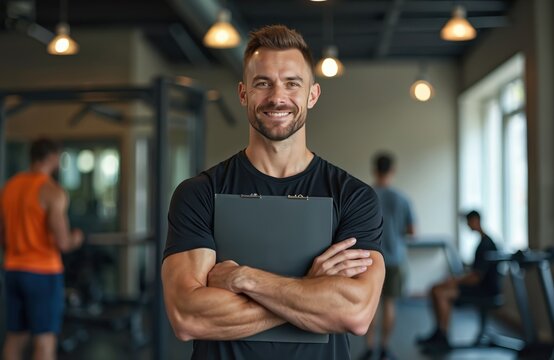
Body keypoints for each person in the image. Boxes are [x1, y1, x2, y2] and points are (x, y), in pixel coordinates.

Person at [162, 25, 386, 360]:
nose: (277, 97)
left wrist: (244, 278)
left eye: (292, 83)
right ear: (243, 94)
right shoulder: (199, 194)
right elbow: (188, 316)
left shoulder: (353, 198)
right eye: (262, 83)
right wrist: (311, 290)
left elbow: (354, 313)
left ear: (312, 94)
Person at [0, 138, 83, 360]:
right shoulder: (52, 191)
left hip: (13, 270)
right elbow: (63, 242)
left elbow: (3, 234)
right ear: (53, 157)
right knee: (45, 341)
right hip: (43, 273)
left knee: (15, 338)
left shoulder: (10, 187)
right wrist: (79, 237)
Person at [416, 210, 499, 352]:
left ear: (476, 221)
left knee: (441, 293)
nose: (467, 226)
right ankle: (439, 332)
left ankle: (443, 336)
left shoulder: (486, 244)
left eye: (468, 222)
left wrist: (453, 282)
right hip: (479, 286)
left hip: (484, 290)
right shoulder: (482, 242)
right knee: (435, 289)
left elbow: (475, 278)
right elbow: (474, 273)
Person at [361, 153, 415, 360]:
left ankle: (368, 348)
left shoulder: (365, 195)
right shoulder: (402, 198)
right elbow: (413, 231)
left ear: (374, 170)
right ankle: (384, 348)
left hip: (369, 258)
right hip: (395, 259)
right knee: (390, 304)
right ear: (392, 171)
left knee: (371, 305)